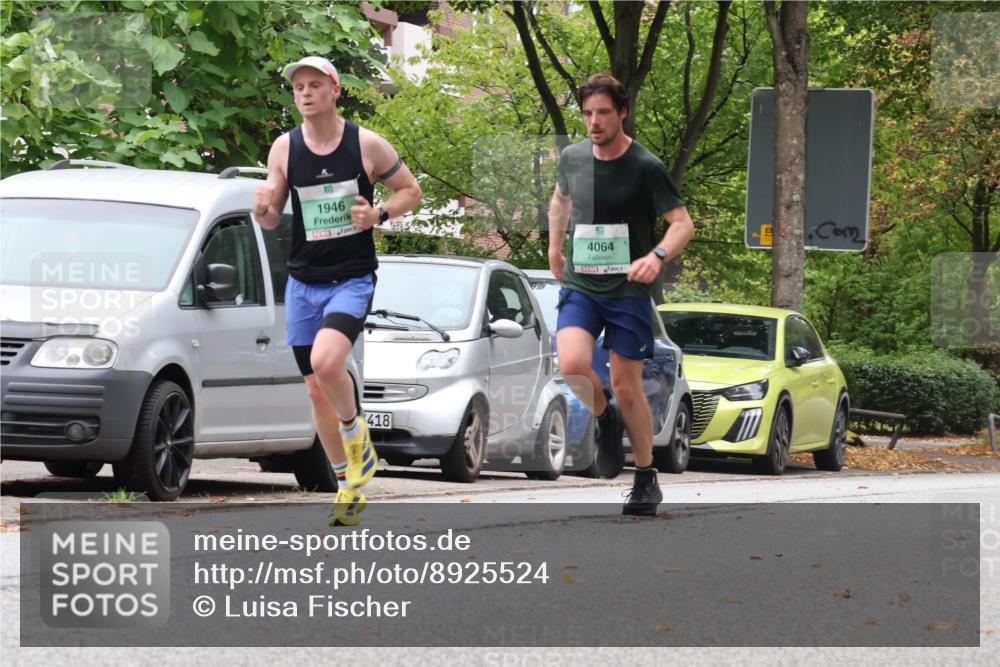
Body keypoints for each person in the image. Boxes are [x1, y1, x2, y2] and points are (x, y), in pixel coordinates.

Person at [252, 56, 422, 525]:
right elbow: (270, 215)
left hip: (351, 277)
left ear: (334, 90)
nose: (304, 94)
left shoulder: (365, 144)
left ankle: (354, 430)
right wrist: (263, 208)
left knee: (328, 362)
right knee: (314, 391)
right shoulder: (284, 149)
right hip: (303, 282)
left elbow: (411, 191)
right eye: (298, 87)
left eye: (313, 85)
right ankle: (348, 484)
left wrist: (379, 215)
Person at [548, 73, 694, 516]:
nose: (594, 121)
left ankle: (646, 477)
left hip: (629, 289)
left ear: (623, 112)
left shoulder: (646, 166)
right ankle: (604, 417)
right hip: (582, 282)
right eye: (588, 113)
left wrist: (657, 256)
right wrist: (555, 247)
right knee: (572, 364)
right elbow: (559, 202)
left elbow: (682, 223)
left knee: (626, 387)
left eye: (603, 113)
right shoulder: (573, 158)